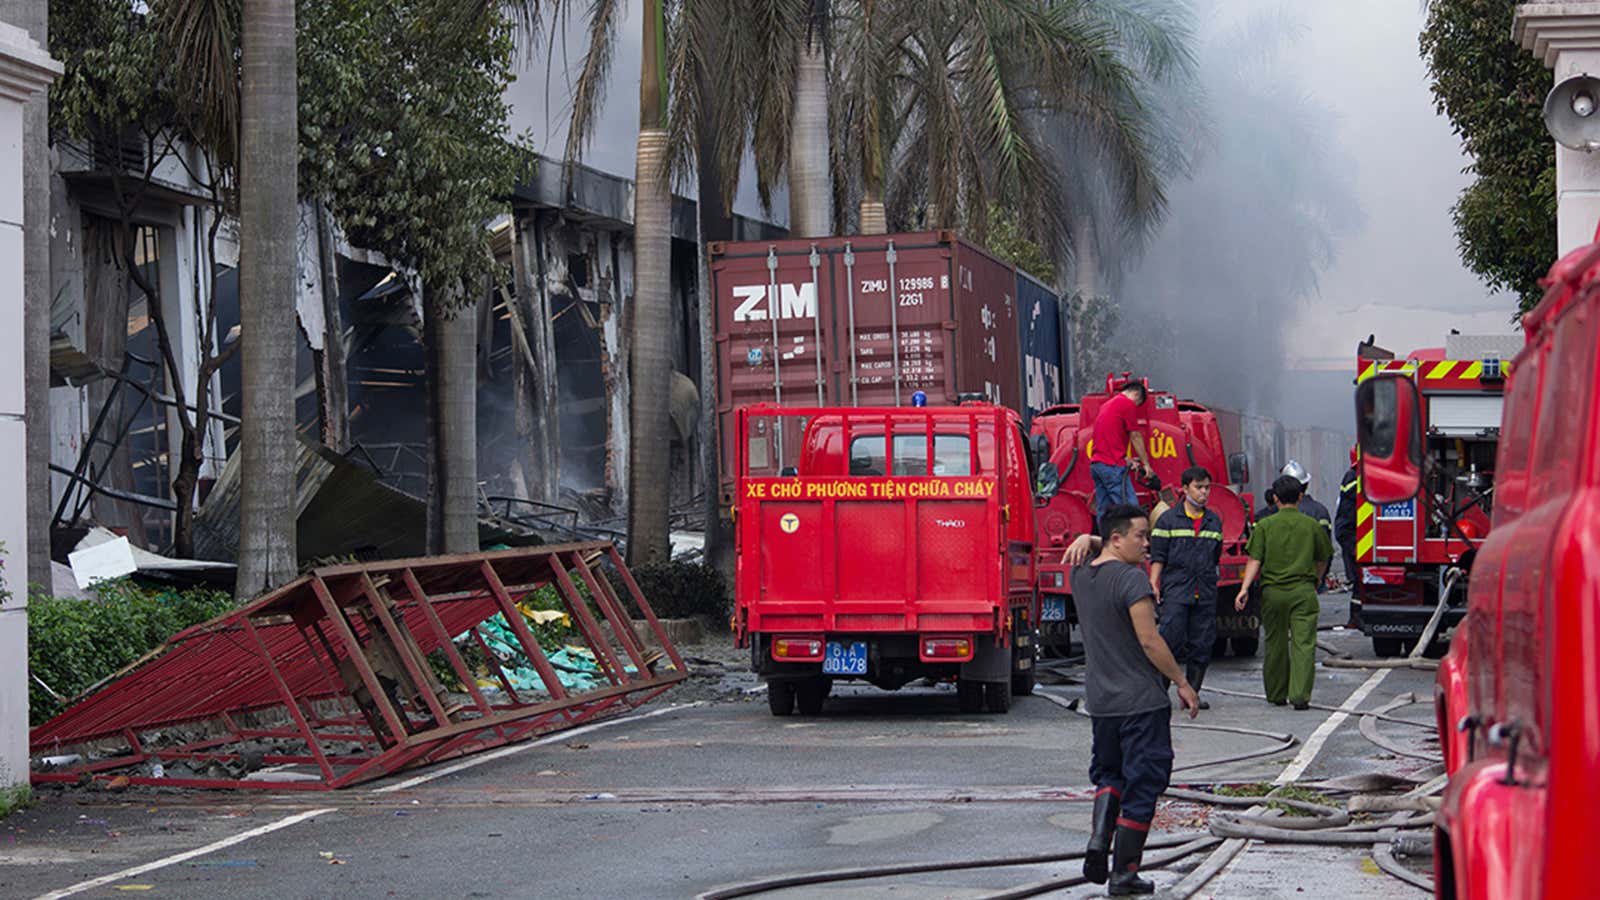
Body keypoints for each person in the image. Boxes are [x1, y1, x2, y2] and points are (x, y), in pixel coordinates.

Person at [1072, 504, 1200, 894]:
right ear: (1117, 538)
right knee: (1144, 784)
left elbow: (1103, 546)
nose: (1147, 544)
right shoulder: (1131, 581)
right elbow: (1149, 639)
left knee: (1109, 774)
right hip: (1141, 703)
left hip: (1102, 703)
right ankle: (1124, 873)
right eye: (1141, 536)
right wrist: (1181, 680)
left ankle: (1099, 839)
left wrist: (1089, 538)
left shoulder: (1080, 574)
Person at [1235, 475, 1332, 710]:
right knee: (1303, 643)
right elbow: (1323, 557)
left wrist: (1244, 588)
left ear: (1275, 498)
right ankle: (1299, 696)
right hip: (1303, 591)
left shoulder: (1265, 526)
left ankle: (1277, 694)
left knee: (1274, 642)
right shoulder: (1311, 525)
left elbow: (1255, 559)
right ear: (1300, 496)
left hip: (1272, 594)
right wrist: (1316, 581)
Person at [1149, 467, 1224, 710]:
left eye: (1207, 488)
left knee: (1202, 644)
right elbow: (1158, 557)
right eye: (1199, 487)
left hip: (1205, 592)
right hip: (1177, 591)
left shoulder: (1214, 521)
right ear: (1185, 489)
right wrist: (1154, 585)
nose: (1204, 493)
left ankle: (1191, 695)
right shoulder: (1168, 520)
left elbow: (1214, 557)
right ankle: (1160, 695)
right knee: (1169, 641)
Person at [1090, 380, 1154, 518]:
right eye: (1138, 404)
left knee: (1105, 510)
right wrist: (1147, 464)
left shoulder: (1107, 405)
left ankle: (1106, 538)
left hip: (1098, 464)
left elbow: (1108, 438)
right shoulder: (1127, 404)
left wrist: (1126, 459)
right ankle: (1133, 539)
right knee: (1130, 510)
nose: (1135, 407)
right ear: (1136, 394)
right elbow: (1135, 435)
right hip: (1112, 466)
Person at [1334, 446, 1363, 629]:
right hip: (1350, 535)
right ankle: (1356, 618)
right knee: (1359, 579)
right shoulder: (1352, 477)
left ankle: (1356, 618)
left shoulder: (1354, 476)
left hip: (1351, 534)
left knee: (1359, 581)